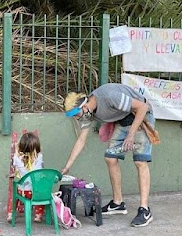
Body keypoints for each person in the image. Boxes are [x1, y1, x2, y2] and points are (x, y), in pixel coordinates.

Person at [61, 83, 156, 227]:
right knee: (110, 158)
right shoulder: (88, 112)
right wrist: (67, 167)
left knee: (140, 162)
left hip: (140, 118)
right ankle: (118, 203)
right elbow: (81, 140)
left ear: (84, 106)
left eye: (76, 114)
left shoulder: (109, 96)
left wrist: (131, 135)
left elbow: (142, 107)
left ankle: (144, 210)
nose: (77, 118)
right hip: (123, 122)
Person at [7, 132, 45, 223]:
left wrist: (16, 148)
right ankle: (38, 215)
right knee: (42, 194)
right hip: (36, 191)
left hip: (23, 192)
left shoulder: (17, 158)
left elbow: (15, 166)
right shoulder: (39, 157)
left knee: (14, 194)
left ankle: (11, 214)